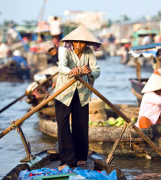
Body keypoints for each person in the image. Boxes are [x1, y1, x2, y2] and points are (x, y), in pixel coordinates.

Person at [54, 24, 101, 170]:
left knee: (80, 124)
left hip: (82, 93)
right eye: (77, 42)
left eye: (82, 42)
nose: (79, 45)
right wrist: (73, 71)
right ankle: (67, 160)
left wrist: (88, 73)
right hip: (64, 93)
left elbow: (97, 70)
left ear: (87, 43)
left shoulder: (88, 53)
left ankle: (81, 156)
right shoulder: (63, 50)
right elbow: (61, 67)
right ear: (72, 42)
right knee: (62, 124)